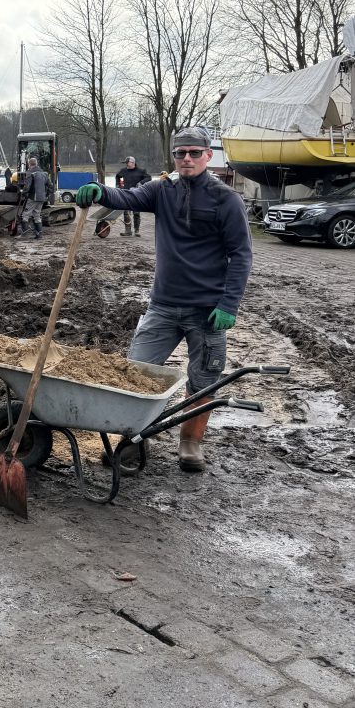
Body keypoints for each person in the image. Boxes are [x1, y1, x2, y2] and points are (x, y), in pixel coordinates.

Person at [75, 126, 252, 473]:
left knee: (204, 380)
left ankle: (190, 443)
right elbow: (128, 198)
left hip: (208, 311)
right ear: (173, 156)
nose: (187, 159)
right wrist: (101, 191)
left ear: (208, 156)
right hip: (164, 306)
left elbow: (241, 255)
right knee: (134, 373)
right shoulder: (161, 191)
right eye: (180, 153)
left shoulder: (226, 199)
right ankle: (132, 439)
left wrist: (229, 305)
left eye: (194, 153)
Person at [114, 156, 151, 236]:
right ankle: (128, 231)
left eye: (127, 163)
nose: (126, 164)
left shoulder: (141, 171)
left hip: (136, 195)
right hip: (126, 194)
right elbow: (117, 176)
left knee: (136, 213)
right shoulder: (123, 171)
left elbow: (149, 178)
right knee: (126, 213)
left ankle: (136, 231)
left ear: (133, 162)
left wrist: (141, 183)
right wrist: (118, 185)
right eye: (126, 163)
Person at [17, 156, 48, 241]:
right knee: (37, 215)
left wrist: (23, 193)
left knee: (25, 215)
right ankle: (39, 234)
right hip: (42, 198)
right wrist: (45, 195)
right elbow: (49, 186)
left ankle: (24, 234)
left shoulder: (30, 173)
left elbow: (27, 186)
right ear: (36, 164)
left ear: (29, 164)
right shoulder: (44, 174)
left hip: (33, 197)